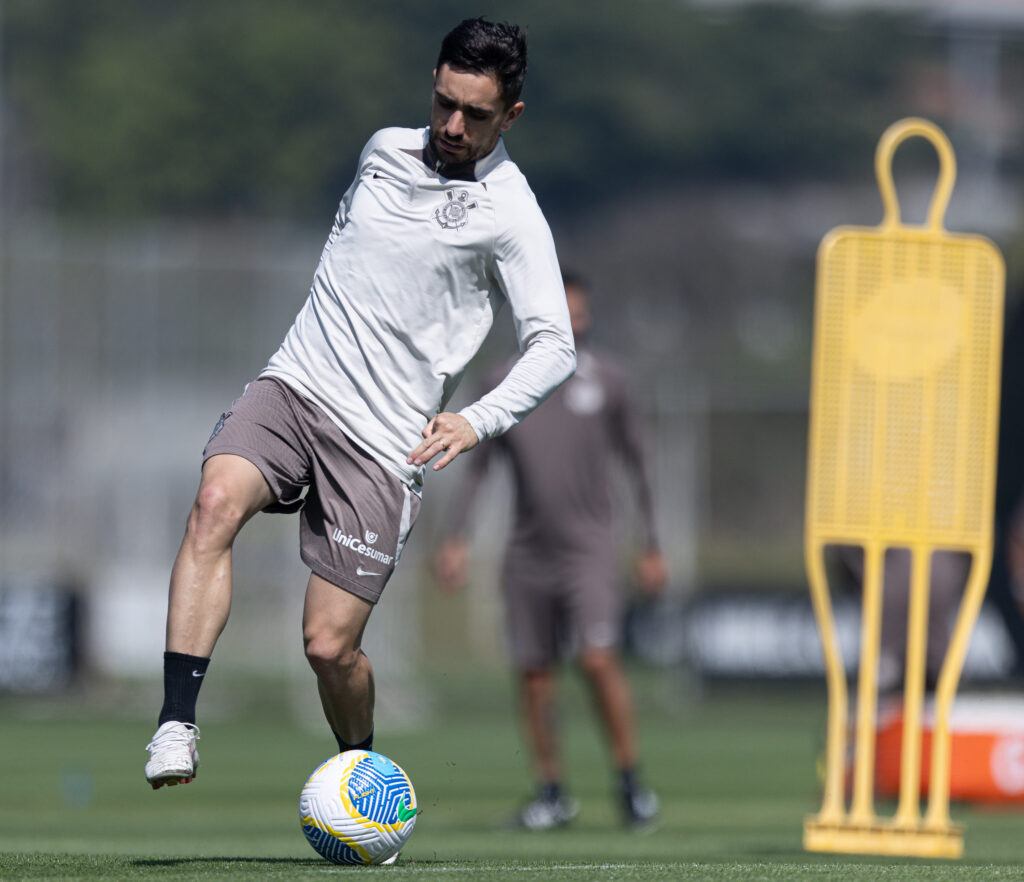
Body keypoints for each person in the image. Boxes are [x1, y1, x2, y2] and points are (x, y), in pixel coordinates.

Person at [144, 18, 576, 789]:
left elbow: (554, 344)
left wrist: (478, 418)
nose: (452, 125)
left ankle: (361, 771)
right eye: (444, 102)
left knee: (327, 648)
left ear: (510, 116)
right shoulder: (381, 150)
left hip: (383, 445)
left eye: (475, 115)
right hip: (298, 384)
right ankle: (177, 721)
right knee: (213, 502)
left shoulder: (511, 213)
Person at [433, 274, 668, 830]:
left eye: (581, 314)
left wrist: (652, 544)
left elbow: (640, 466)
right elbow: (478, 470)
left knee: (597, 659)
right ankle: (552, 792)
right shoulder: (501, 382)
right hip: (527, 550)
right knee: (535, 673)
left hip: (590, 548)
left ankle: (631, 783)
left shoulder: (609, 381)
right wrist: (456, 537)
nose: (575, 323)